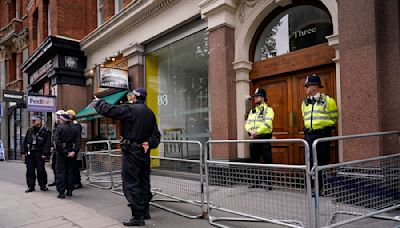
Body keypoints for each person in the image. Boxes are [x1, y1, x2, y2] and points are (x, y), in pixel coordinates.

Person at [93, 88, 160, 226]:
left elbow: (111, 110)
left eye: (132, 95)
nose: (130, 97)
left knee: (131, 183)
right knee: (143, 182)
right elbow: (156, 135)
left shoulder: (131, 109)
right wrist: (149, 143)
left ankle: (137, 217)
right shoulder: (150, 113)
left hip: (132, 151)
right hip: (144, 151)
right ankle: (145, 211)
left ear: (135, 97)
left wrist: (99, 103)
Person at [301, 74, 337, 193]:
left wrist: (326, 128)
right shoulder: (304, 103)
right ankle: (311, 187)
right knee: (309, 161)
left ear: (315, 86)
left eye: (308, 85)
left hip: (322, 134)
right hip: (309, 135)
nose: (306, 88)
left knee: (322, 161)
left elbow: (334, 117)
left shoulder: (328, 101)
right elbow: (304, 118)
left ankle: (321, 187)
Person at [245, 88, 274, 190]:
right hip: (253, 139)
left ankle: (268, 183)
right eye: (255, 97)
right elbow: (247, 123)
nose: (255, 99)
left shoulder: (268, 109)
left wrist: (256, 132)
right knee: (254, 160)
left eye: (257, 96)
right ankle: (255, 182)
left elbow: (267, 123)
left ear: (263, 98)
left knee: (267, 160)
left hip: (263, 138)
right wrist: (250, 132)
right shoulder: (252, 111)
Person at [22, 115, 51, 193]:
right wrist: (23, 152)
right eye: (32, 120)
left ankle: (43, 185)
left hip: (39, 152)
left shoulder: (45, 131)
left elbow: (47, 143)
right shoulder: (30, 130)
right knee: (30, 170)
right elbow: (25, 142)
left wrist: (45, 153)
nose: (33, 122)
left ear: (39, 121)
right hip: (30, 152)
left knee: (41, 170)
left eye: (34, 120)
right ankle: (31, 186)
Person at [54, 114, 80, 198]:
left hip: (61, 153)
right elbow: (78, 142)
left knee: (61, 172)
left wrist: (64, 152)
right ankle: (69, 191)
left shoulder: (59, 128)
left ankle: (61, 192)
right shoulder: (75, 128)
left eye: (60, 119)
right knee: (70, 171)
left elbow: (57, 142)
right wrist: (74, 151)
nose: (59, 121)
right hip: (71, 152)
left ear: (62, 120)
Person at [66, 109, 83, 189]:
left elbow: (77, 137)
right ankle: (71, 181)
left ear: (73, 116)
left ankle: (77, 181)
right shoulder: (69, 123)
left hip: (73, 147)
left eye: (69, 114)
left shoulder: (76, 124)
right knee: (70, 165)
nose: (67, 116)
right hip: (69, 147)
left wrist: (75, 149)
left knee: (74, 165)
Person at [48, 109, 66, 187]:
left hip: (61, 149)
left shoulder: (62, 126)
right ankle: (57, 180)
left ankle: (62, 182)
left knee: (61, 167)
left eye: (59, 116)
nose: (58, 118)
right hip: (56, 149)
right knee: (54, 166)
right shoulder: (56, 126)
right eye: (57, 116)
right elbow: (54, 138)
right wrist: (52, 146)